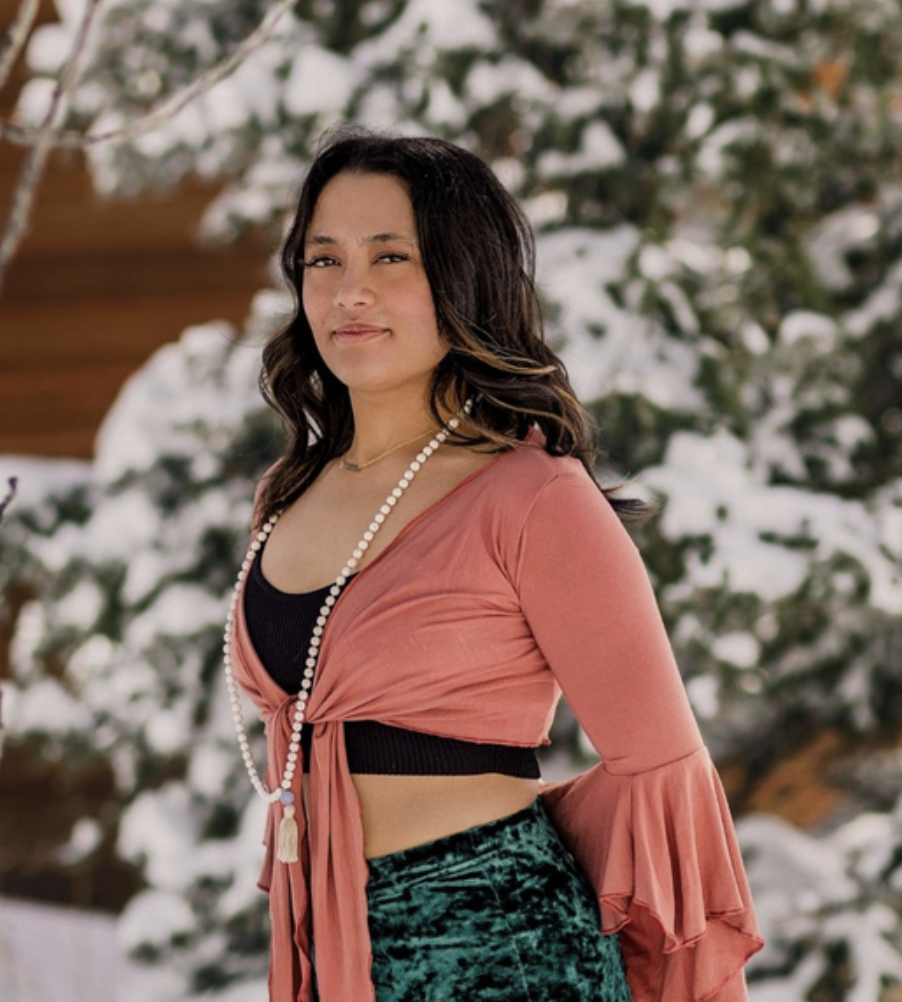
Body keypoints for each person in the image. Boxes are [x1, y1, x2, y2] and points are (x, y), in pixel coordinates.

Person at [222, 126, 763, 1002]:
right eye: (323, 261)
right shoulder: (289, 491)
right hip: (333, 940)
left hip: (501, 948)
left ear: (461, 277)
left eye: (390, 255)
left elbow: (663, 771)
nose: (350, 291)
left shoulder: (534, 499)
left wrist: (509, 846)